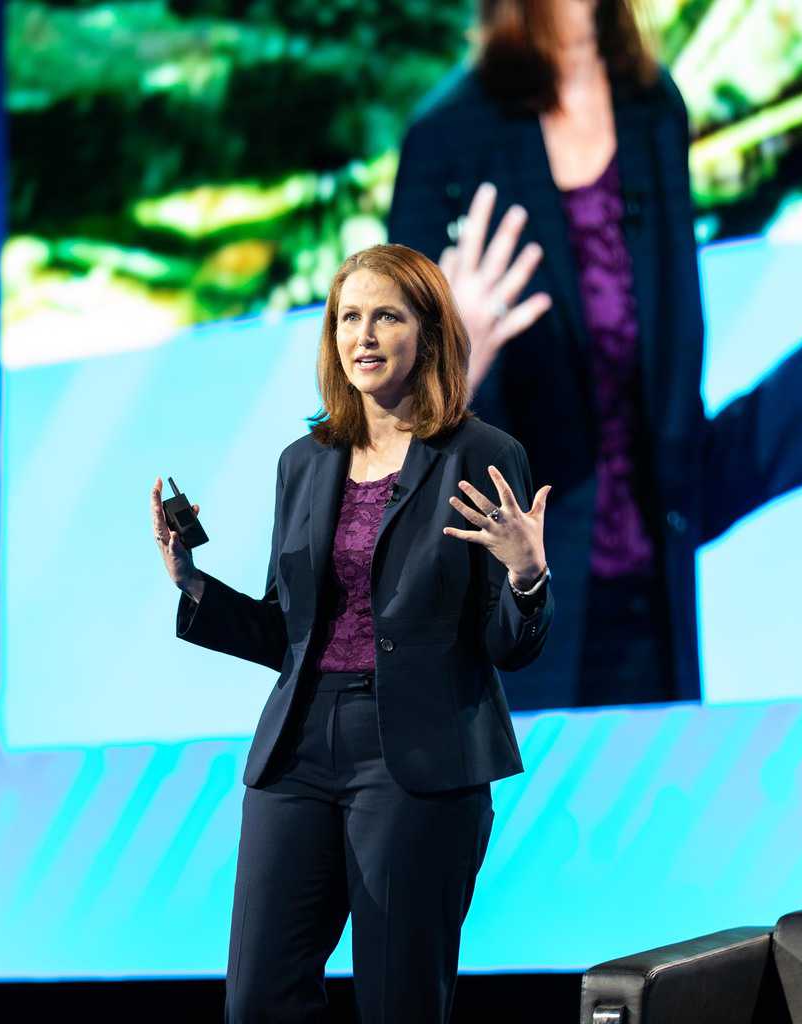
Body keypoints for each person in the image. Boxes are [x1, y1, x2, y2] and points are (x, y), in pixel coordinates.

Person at [387, 0, 802, 710]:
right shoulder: (449, 139)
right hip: (504, 663)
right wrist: (453, 371)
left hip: (653, 652)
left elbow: (678, 469)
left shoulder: (653, 113)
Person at [149, 243, 554, 1022]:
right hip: (298, 747)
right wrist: (191, 584)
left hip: (418, 755)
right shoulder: (305, 461)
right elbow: (287, 633)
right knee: (258, 1000)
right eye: (348, 318)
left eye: (386, 317)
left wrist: (526, 576)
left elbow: (509, 646)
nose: (363, 336)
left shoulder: (480, 455)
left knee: (399, 1001)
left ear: (428, 333)